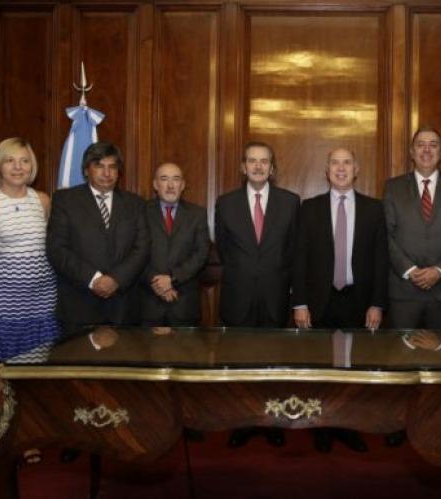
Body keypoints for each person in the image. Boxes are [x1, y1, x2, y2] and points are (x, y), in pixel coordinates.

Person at [0, 137, 60, 465]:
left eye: (24, 161)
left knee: (35, 373)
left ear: (32, 166)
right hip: (2, 303)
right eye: (10, 161)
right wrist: (4, 281)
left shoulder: (43, 201)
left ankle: (33, 432)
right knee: (5, 373)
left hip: (41, 300)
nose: (18, 167)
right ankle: (11, 436)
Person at [292, 148, 387, 453]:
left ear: (356, 170)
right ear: (327, 170)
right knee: (321, 368)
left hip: (358, 301)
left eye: (347, 163)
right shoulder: (310, 208)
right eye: (335, 163)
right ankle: (322, 427)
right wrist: (299, 303)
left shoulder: (374, 209)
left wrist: (377, 303)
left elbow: (381, 261)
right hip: (319, 301)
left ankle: (348, 427)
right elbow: (300, 259)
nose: (341, 168)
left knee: (353, 368)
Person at [214, 141, 299, 448]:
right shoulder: (226, 203)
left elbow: (293, 250)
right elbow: (223, 248)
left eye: (264, 161)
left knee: (273, 364)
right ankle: (243, 422)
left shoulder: (290, 202)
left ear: (272, 168)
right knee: (239, 364)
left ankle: (272, 421)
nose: (258, 166)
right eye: (252, 161)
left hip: (275, 295)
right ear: (243, 167)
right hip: (238, 296)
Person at [47, 141, 149, 334]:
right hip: (79, 304)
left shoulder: (136, 204)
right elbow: (57, 248)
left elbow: (142, 248)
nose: (107, 173)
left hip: (124, 306)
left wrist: (115, 279)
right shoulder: (65, 200)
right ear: (86, 170)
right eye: (99, 166)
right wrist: (93, 279)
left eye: (112, 167)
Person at [383, 125, 441, 329]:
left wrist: (440, 270)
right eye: (420, 145)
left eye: (433, 145)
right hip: (404, 290)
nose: (426, 150)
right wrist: (410, 270)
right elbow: (387, 234)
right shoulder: (393, 187)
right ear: (412, 152)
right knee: (400, 348)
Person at [141, 162, 210, 326]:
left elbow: (201, 253)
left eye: (176, 179)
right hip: (148, 302)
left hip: (184, 303)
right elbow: (135, 252)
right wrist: (157, 283)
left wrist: (171, 279)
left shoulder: (197, 214)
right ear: (155, 185)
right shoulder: (141, 211)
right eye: (164, 179)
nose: (171, 185)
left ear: (183, 185)